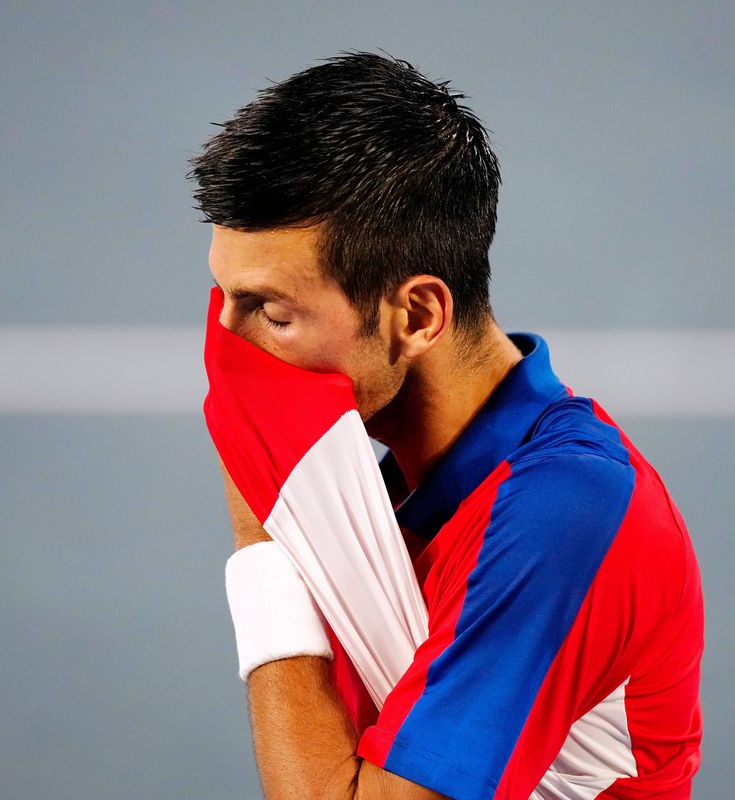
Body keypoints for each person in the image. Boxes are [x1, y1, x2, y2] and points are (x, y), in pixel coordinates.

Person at [187, 51, 704, 800]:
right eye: (222, 298)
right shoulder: (389, 488)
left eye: (273, 313)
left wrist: (262, 544)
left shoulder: (561, 511)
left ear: (417, 315)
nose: (231, 350)